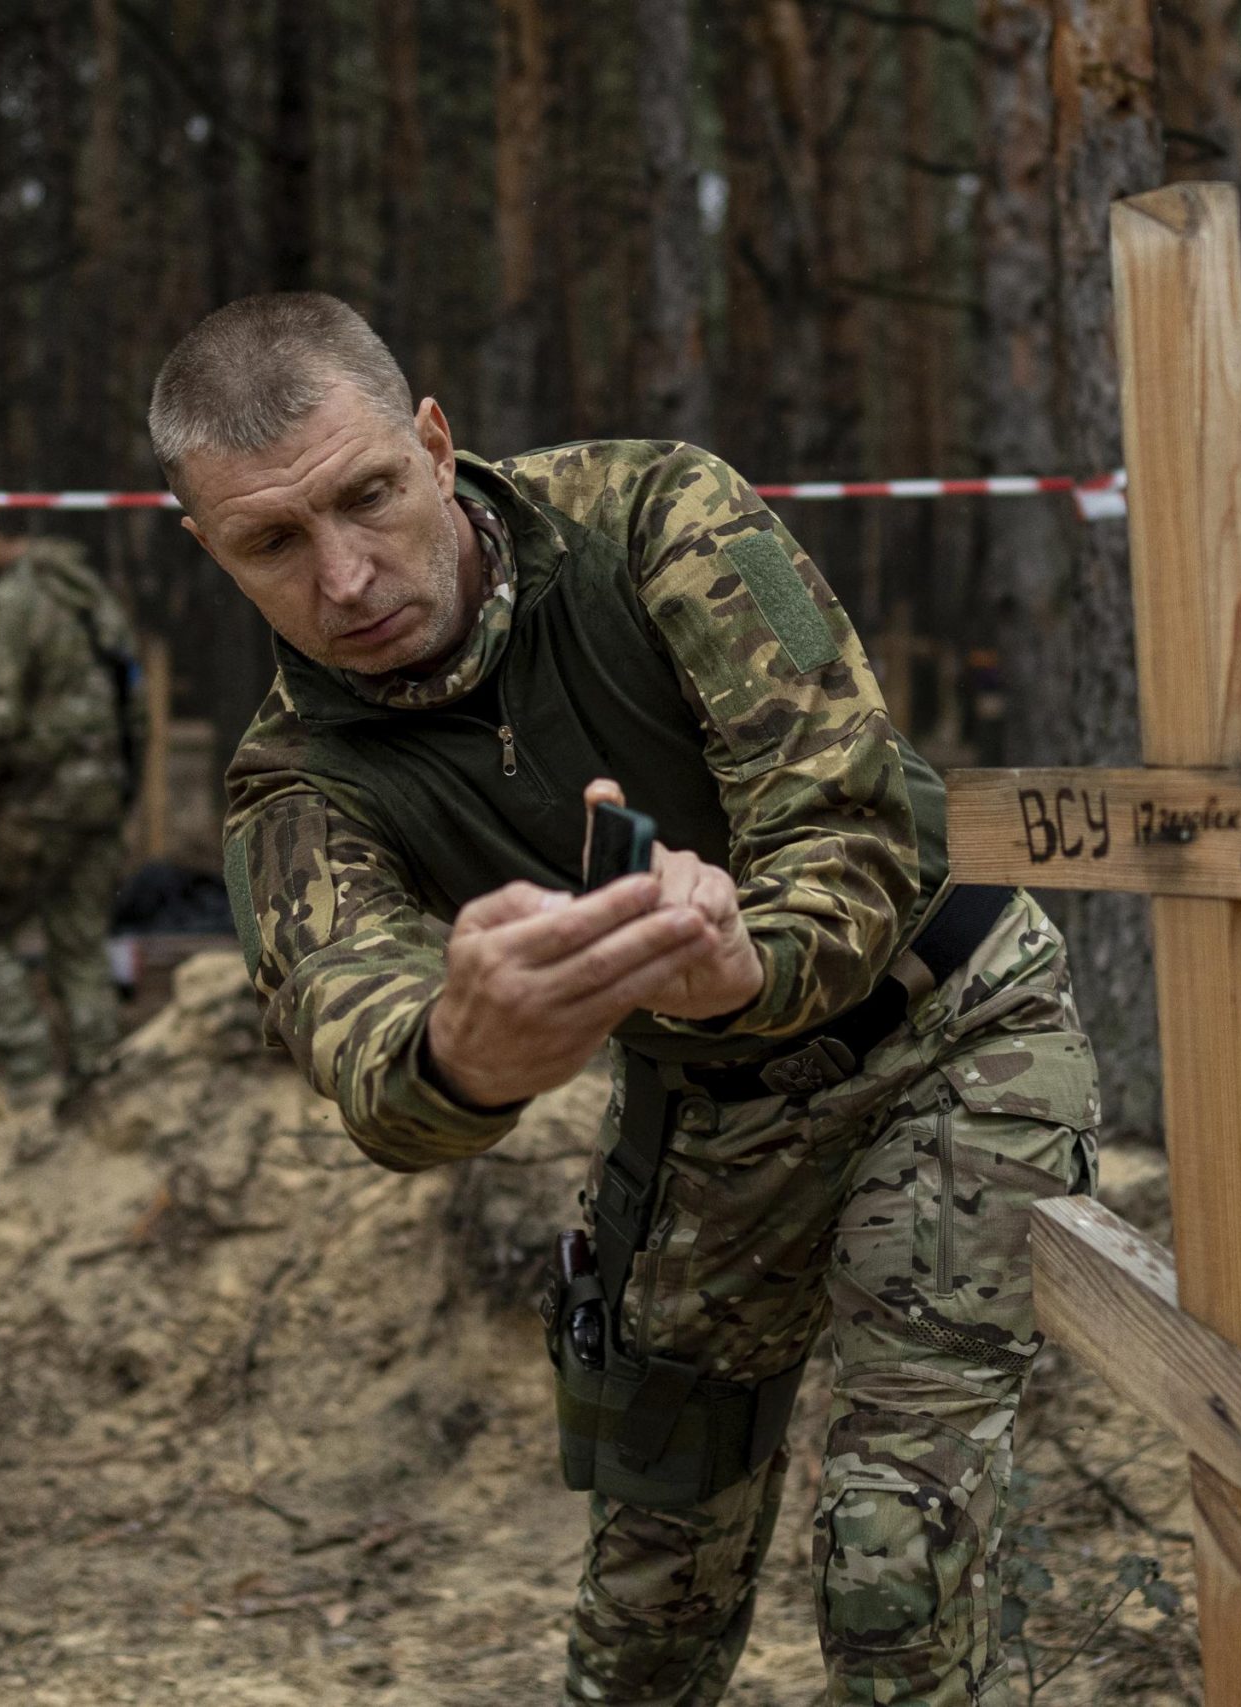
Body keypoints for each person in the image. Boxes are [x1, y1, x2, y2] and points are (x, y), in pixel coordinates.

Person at [158, 292, 1100, 1707]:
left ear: (433, 442)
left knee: (893, 1558)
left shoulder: (654, 513)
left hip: (947, 1029)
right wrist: (459, 1054)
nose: (345, 579)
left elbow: (851, 828)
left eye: (365, 498)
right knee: (649, 1592)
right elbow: (365, 1043)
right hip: (711, 1112)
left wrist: (748, 967)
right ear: (205, 548)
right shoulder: (296, 780)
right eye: (272, 544)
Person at [0, 521, 144, 1104]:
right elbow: (132, 698)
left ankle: (30, 1071)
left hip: (37, 806)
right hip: (99, 800)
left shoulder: (9, 605)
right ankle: (100, 1077)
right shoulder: (84, 591)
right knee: (81, 942)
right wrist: (119, 788)